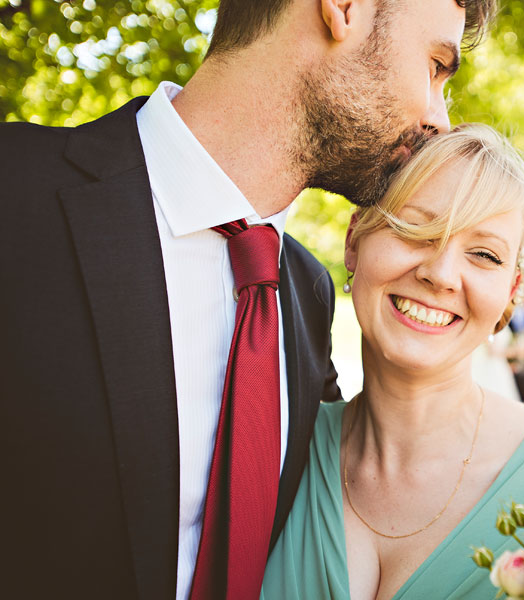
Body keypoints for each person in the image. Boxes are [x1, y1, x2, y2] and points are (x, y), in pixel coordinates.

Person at [0, 1, 495, 597]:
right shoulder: (14, 192)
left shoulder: (307, 294)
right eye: (436, 65)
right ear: (342, 8)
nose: (441, 118)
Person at [261, 125, 524, 599]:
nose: (439, 274)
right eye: (413, 228)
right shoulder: (279, 445)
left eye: (483, 254)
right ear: (355, 240)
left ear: (512, 290)